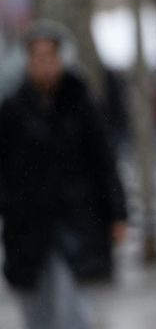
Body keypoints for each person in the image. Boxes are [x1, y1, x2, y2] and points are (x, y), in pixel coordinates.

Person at [0, 21, 128, 329]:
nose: (44, 65)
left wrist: (117, 213)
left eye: (50, 57)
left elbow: (103, 162)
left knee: (72, 309)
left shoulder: (81, 105)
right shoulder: (12, 111)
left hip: (75, 221)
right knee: (38, 311)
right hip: (27, 228)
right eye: (37, 58)